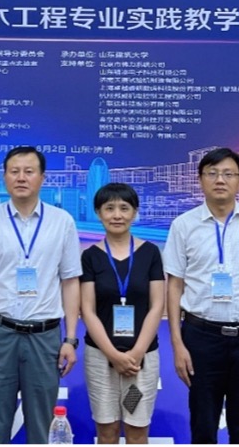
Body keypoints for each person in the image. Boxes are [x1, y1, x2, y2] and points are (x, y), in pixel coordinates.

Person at [163, 147, 239, 444]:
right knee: (203, 425)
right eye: (212, 173)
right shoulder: (183, 225)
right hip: (201, 337)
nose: (220, 180)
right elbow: (174, 285)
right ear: (200, 180)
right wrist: (177, 343)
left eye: (228, 174)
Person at [0, 146, 82, 444]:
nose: (21, 177)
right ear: (4, 177)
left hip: (45, 336)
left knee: (42, 426)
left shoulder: (62, 221)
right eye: (14, 171)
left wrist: (70, 339)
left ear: (42, 178)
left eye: (29, 171)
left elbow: (70, 282)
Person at [80, 183, 165, 444]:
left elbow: (157, 306)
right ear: (98, 213)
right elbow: (88, 310)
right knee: (107, 430)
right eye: (109, 208)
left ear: (135, 212)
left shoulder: (150, 253)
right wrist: (114, 355)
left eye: (124, 208)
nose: (117, 215)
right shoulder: (90, 256)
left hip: (140, 361)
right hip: (101, 358)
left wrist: (136, 353)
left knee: (136, 429)